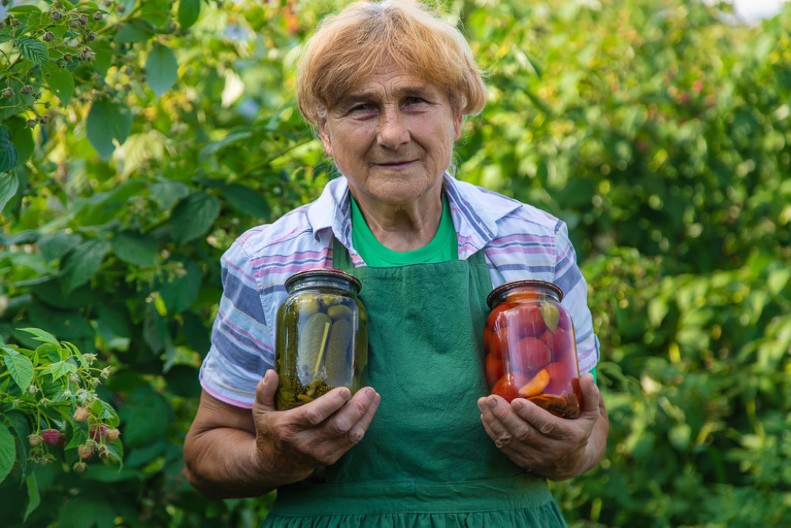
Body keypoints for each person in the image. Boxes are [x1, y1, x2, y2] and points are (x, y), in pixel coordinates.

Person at [184, 1, 609, 525]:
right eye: (360, 108)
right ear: (323, 129)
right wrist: (269, 459)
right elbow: (204, 455)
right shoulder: (269, 258)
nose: (391, 133)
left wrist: (567, 451)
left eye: (414, 101)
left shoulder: (535, 242)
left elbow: (591, 429)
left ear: (457, 112)